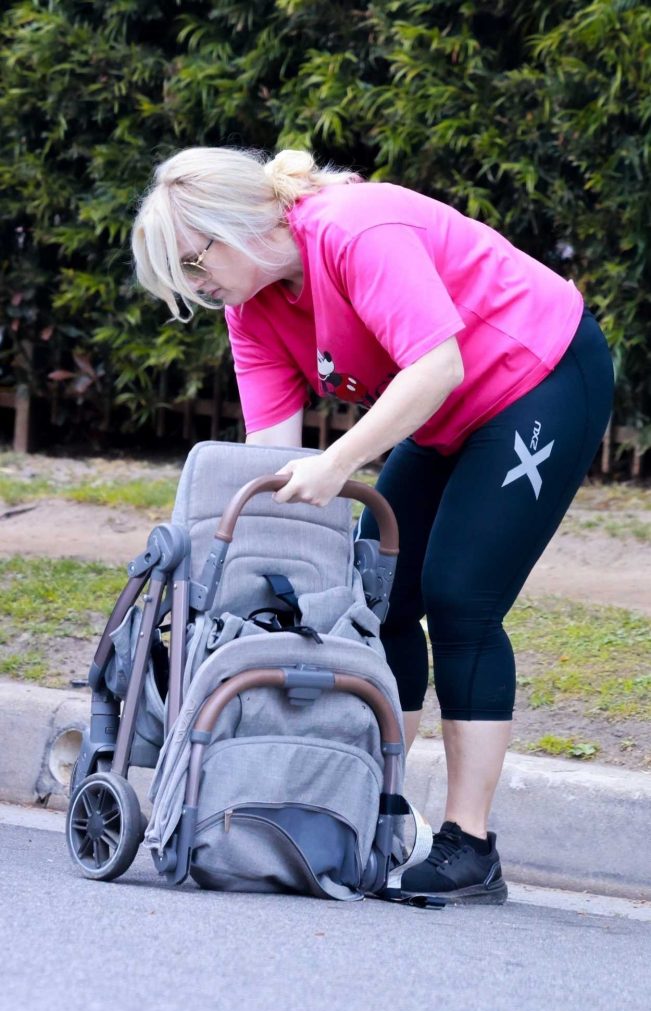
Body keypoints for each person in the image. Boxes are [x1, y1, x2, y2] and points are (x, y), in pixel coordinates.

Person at [132, 147, 614, 904]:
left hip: (537, 377)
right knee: (374, 595)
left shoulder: (355, 228)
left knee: (460, 598)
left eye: (195, 265)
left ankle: (469, 847)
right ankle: (375, 808)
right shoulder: (251, 309)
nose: (198, 286)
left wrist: (338, 466)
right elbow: (271, 457)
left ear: (233, 229)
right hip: (444, 412)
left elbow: (436, 367)